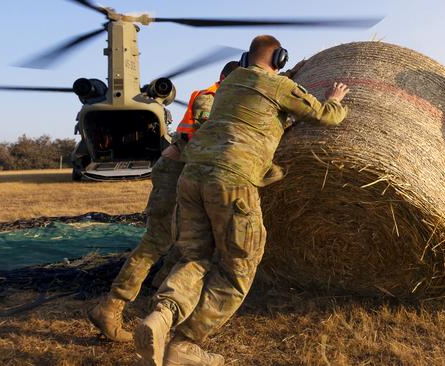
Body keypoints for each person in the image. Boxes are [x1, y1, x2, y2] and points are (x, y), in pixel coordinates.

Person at [132, 35, 349, 365]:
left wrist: (286, 76)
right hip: (232, 180)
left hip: (192, 177)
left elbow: (264, 91)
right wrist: (333, 99)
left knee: (195, 256)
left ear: (248, 57)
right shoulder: (278, 87)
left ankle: (162, 313)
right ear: (279, 58)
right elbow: (325, 116)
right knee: (239, 266)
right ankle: (186, 344)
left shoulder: (231, 82)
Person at [88, 61, 240, 342]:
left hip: (189, 175)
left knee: (188, 239)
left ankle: (159, 294)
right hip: (173, 175)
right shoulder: (209, 97)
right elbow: (210, 135)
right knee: (156, 240)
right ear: (228, 79)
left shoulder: (223, 98)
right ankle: (111, 306)